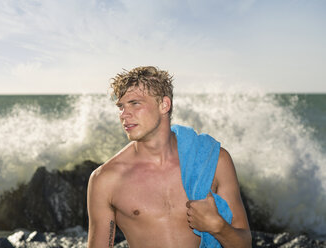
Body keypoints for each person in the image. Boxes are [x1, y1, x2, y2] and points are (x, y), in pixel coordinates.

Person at [87, 66, 251, 248]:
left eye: (135, 103)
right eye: (121, 107)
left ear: (164, 105)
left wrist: (219, 227)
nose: (124, 115)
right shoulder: (106, 179)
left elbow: (244, 243)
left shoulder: (214, 162)